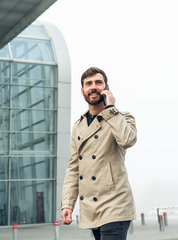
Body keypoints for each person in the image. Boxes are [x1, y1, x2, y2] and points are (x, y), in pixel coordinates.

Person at [61, 67, 137, 240]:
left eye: (98, 82)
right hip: (91, 207)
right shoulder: (78, 127)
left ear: (106, 87)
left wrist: (111, 108)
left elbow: (127, 140)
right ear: (82, 91)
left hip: (115, 203)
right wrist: (67, 204)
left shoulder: (122, 117)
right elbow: (73, 168)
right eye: (88, 84)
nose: (93, 87)